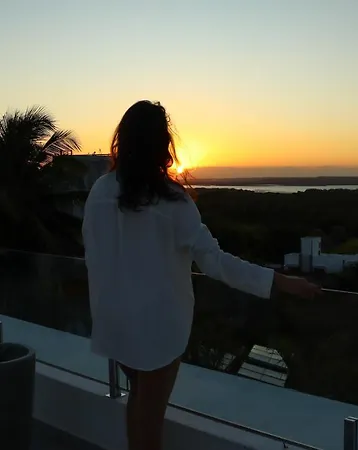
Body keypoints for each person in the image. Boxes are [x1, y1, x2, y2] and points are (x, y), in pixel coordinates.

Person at [82, 100, 321, 450]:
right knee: (150, 421)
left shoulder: (100, 192)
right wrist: (280, 282)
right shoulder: (171, 202)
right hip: (157, 330)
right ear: (162, 144)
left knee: (139, 399)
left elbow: (94, 253)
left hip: (115, 323)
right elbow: (215, 262)